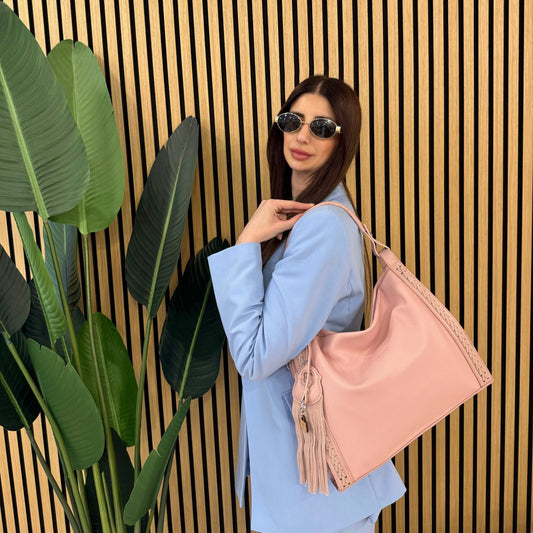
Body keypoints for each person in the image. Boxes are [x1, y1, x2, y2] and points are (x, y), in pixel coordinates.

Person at [207, 76, 406, 533]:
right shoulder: (304, 221)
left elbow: (256, 356)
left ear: (341, 143)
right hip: (307, 472)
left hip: (315, 485)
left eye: (322, 127)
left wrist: (246, 243)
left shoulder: (322, 229)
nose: (302, 135)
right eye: (292, 121)